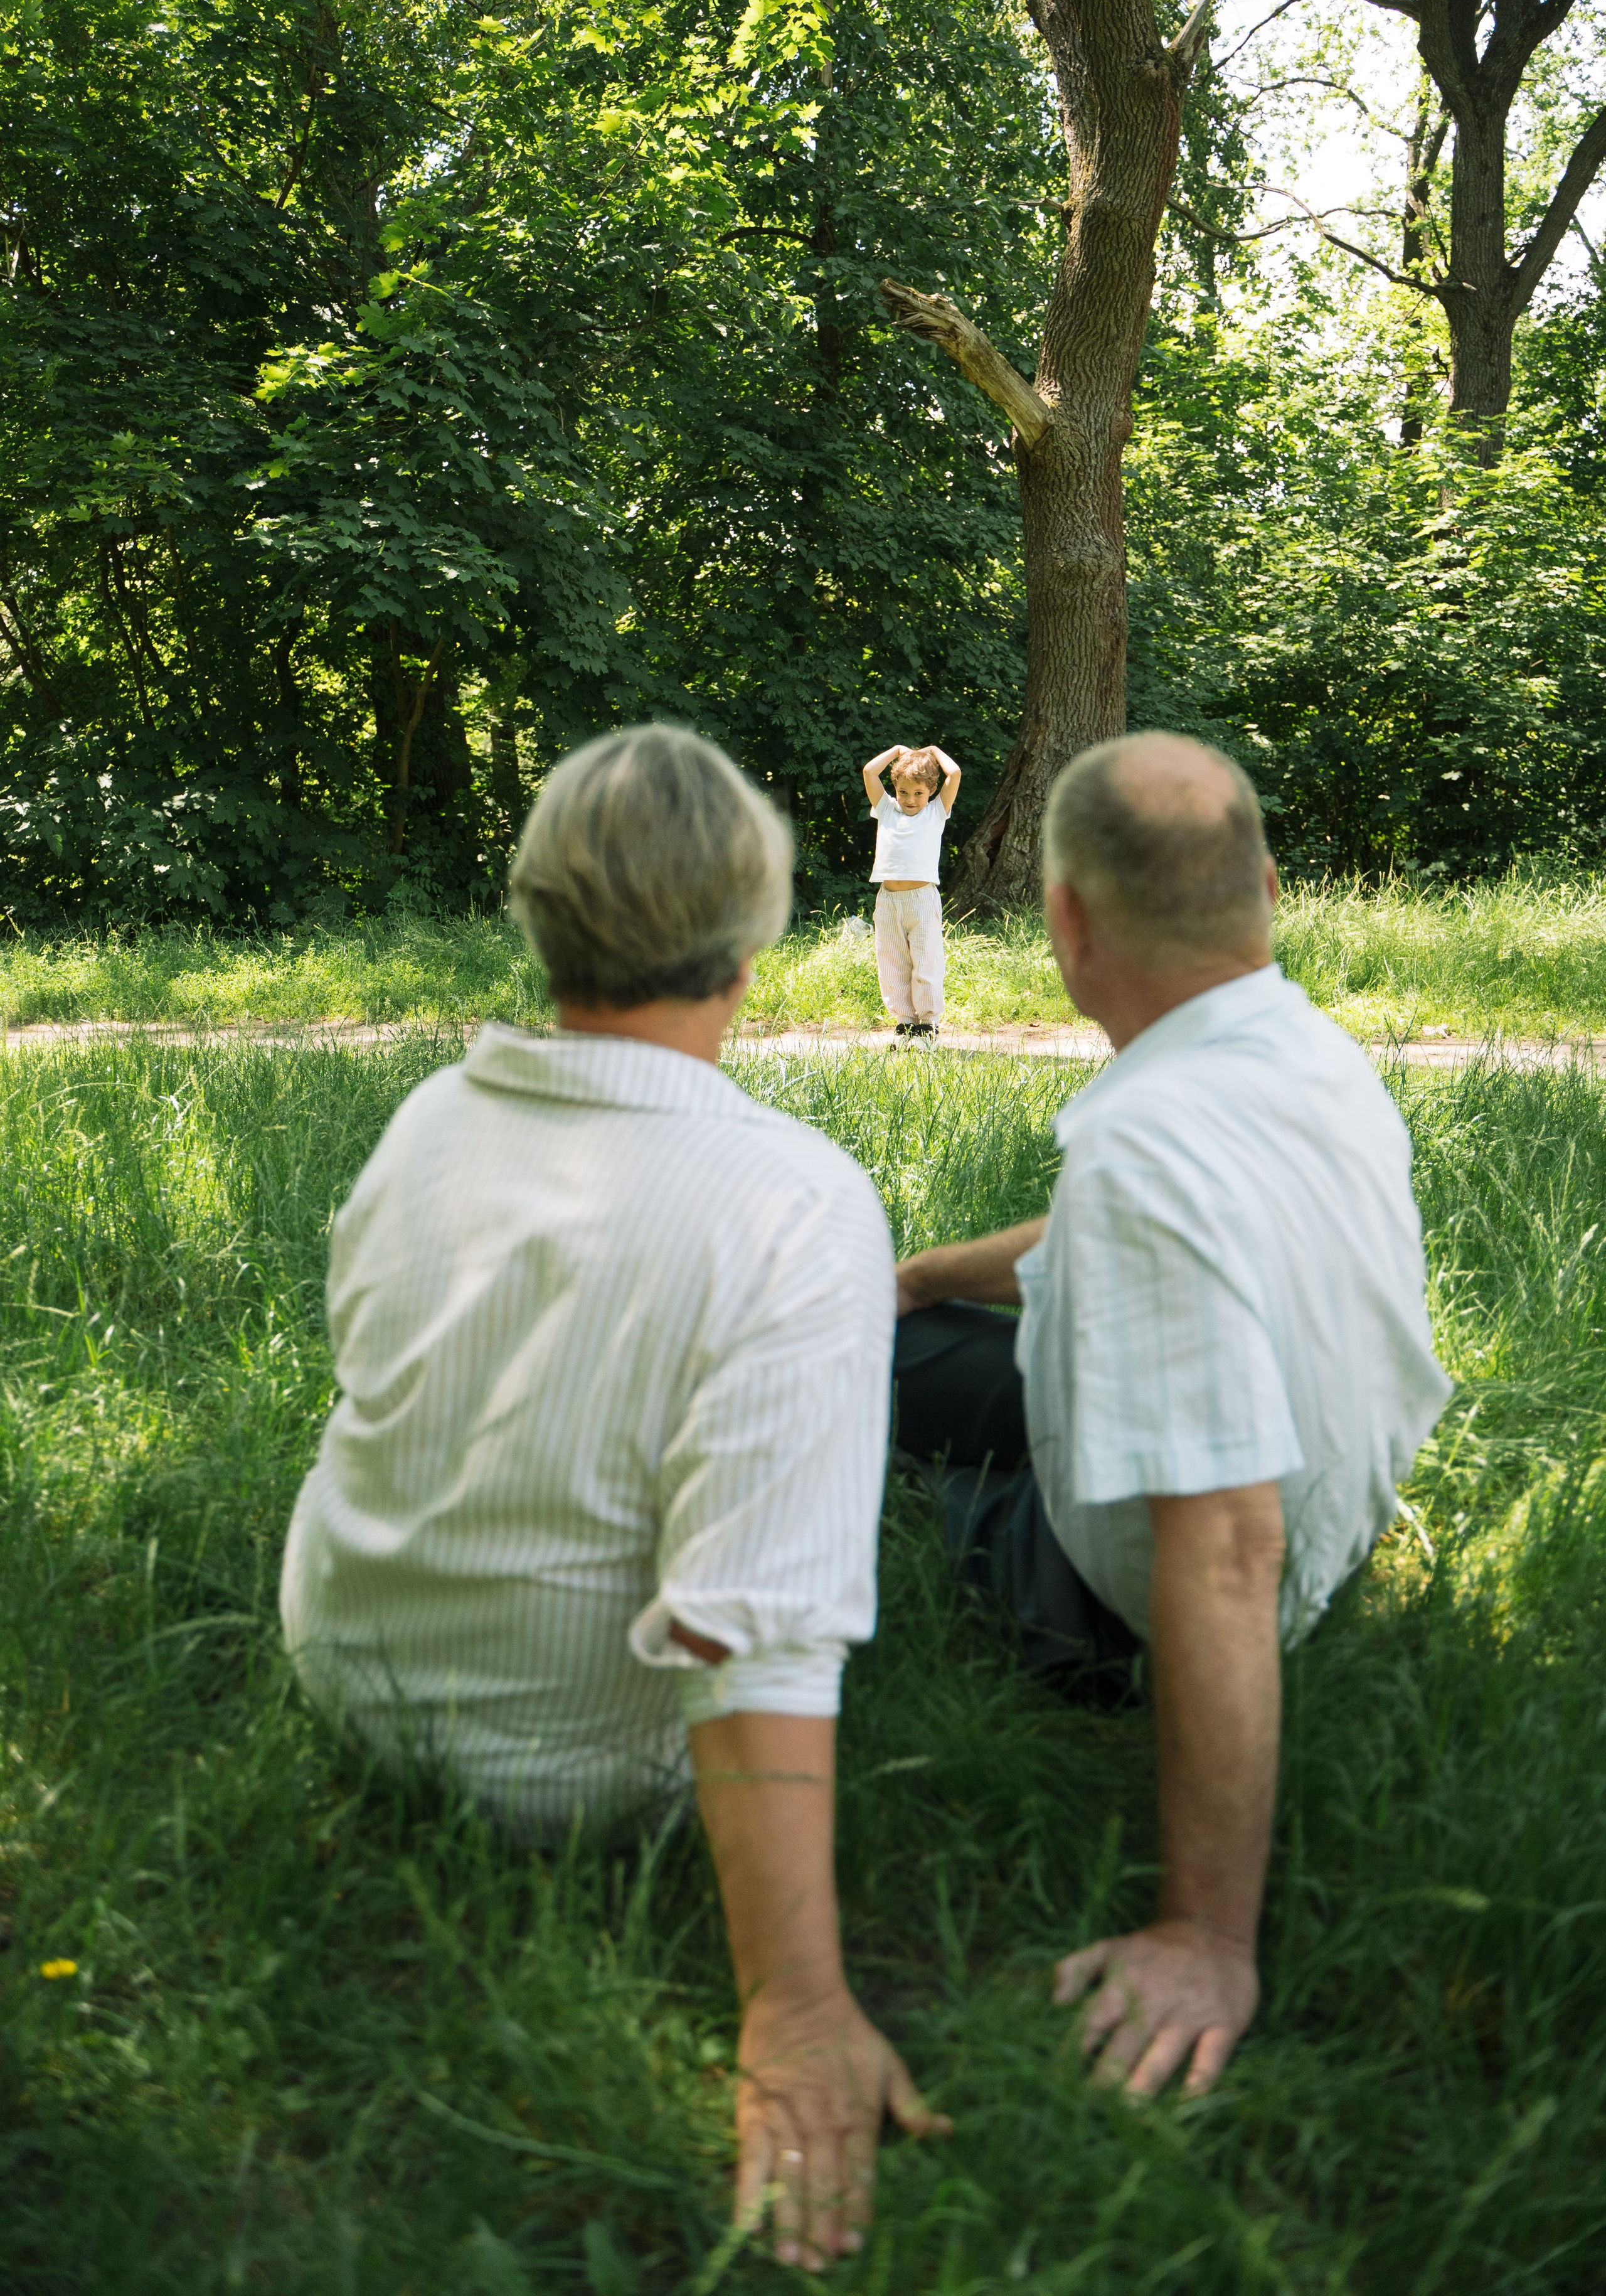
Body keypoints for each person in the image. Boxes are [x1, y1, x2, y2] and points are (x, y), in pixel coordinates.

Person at [280, 725, 945, 2270]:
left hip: (348, 1671)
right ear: (758, 931)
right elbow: (759, 1634)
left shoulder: (423, 1124)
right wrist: (789, 2001)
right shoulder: (793, 1200)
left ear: (532, 906)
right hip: (589, 1766)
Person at [893, 730, 1450, 2099]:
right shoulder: (1304, 1052)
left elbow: (1221, 1550)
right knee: (881, 1341)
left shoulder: (1144, 1147)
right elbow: (1100, 1239)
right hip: (1339, 1507)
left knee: (830, 1446)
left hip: (1127, 1605)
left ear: (1064, 917)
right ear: (1262, 885)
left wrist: (1207, 1937)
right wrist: (912, 1280)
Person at [861, 740, 962, 1040]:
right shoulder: (887, 810)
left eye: (918, 793)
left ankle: (927, 1025)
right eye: (903, 792)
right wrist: (896, 751)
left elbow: (953, 773)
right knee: (892, 964)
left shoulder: (937, 812)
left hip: (921, 899)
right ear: (895, 789)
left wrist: (931, 751)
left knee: (926, 963)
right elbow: (869, 771)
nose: (910, 799)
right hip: (888, 901)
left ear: (931, 790)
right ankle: (905, 1024)